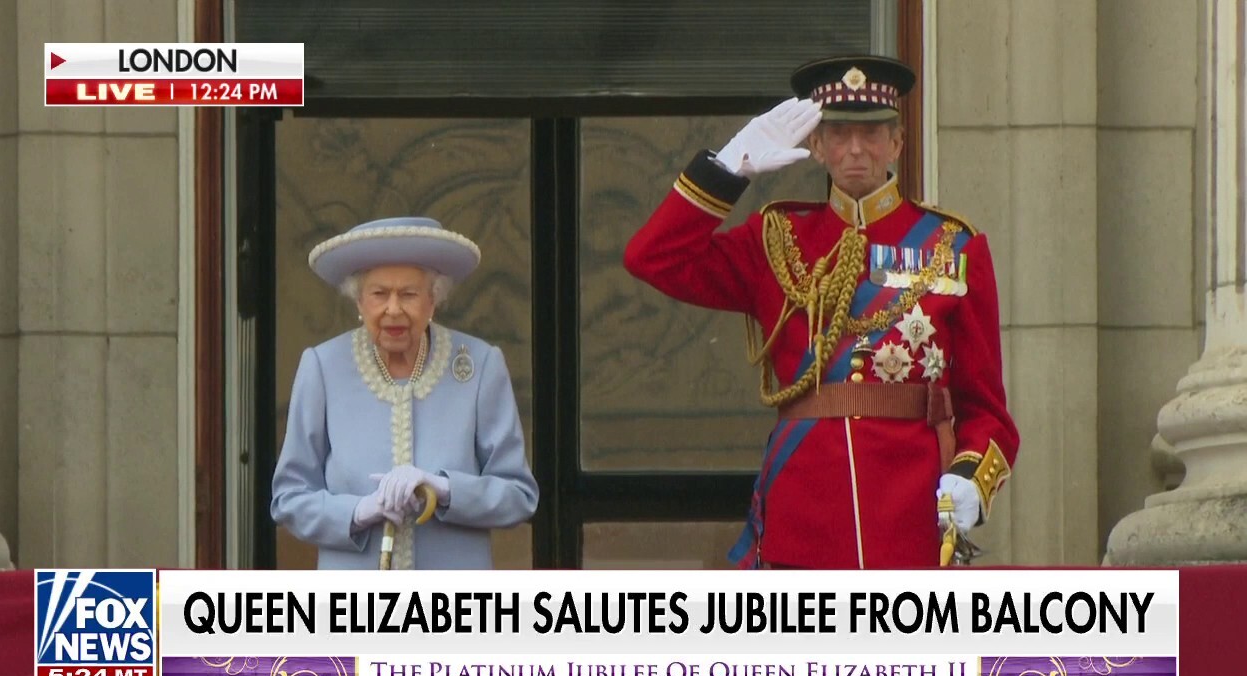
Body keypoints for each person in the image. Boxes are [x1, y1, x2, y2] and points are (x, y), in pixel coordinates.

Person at [623, 55, 1019, 570]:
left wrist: (971, 478)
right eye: (838, 133)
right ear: (815, 145)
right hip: (804, 514)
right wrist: (724, 171)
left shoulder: (952, 247)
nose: (856, 148)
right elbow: (652, 258)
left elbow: (987, 409)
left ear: (897, 142)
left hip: (910, 517)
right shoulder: (776, 240)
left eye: (873, 133)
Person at [271, 216, 538, 570]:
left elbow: (519, 496)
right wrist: (357, 511)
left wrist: (443, 489)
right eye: (379, 294)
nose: (393, 309)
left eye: (409, 295)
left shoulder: (479, 365)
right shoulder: (322, 367)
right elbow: (288, 498)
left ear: (433, 300)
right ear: (359, 302)